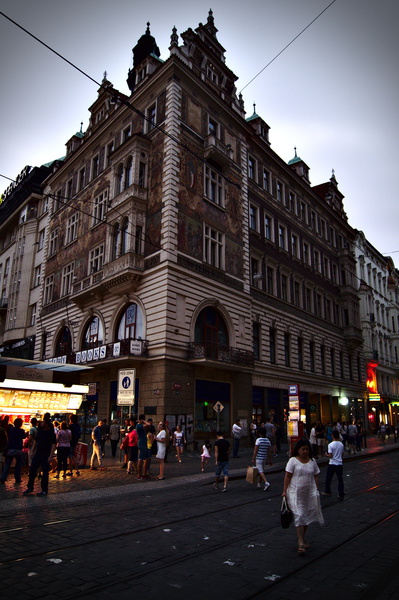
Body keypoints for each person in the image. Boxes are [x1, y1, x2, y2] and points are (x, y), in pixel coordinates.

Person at [282, 439, 324, 555]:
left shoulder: (312, 461)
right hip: (295, 493)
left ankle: (302, 537)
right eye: (303, 449)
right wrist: (284, 491)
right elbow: (287, 476)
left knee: (306, 516)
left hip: (309, 493)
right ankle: (300, 541)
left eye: (307, 449)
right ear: (298, 450)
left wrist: (316, 488)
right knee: (299, 515)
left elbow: (316, 475)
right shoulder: (293, 461)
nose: (305, 451)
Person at [23, 418, 57, 496]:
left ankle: (44, 489)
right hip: (38, 453)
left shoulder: (51, 433)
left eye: (43, 422)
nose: (41, 423)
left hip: (46, 454)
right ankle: (30, 487)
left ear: (47, 424)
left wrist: (51, 456)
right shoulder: (40, 432)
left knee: (45, 473)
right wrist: (32, 451)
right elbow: (36, 441)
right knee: (32, 470)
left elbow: (53, 445)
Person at [0, 417, 26, 484]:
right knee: (18, 464)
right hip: (18, 449)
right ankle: (17, 478)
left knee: (7, 464)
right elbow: (24, 437)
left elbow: (9, 439)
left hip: (11, 448)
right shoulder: (21, 431)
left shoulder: (11, 430)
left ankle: (3, 477)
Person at [321, 430, 345, 500]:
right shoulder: (341, 444)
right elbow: (342, 454)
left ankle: (327, 491)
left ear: (333, 436)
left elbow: (330, 455)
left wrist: (326, 455)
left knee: (328, 478)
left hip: (332, 463)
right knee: (340, 479)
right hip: (339, 463)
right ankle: (341, 493)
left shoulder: (330, 445)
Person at [136, 414, 151, 479]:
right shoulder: (139, 426)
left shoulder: (141, 426)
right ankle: (139, 474)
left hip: (144, 443)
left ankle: (144, 473)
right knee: (141, 459)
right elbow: (148, 424)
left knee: (147, 458)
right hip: (141, 443)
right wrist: (144, 421)